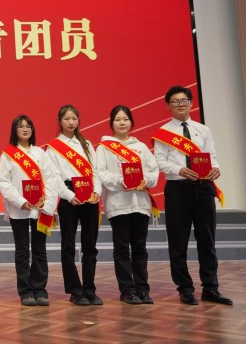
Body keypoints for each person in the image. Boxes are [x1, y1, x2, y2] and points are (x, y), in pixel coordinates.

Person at [152, 85, 232, 305]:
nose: (180, 105)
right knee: (178, 241)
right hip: (178, 189)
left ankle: (211, 288)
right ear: (168, 105)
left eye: (184, 101)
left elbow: (212, 156)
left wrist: (216, 168)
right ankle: (185, 288)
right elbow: (159, 161)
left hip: (204, 187)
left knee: (207, 240)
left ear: (191, 103)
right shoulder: (163, 133)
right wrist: (179, 169)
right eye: (175, 101)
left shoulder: (202, 130)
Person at [95, 105, 159, 305]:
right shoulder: (104, 147)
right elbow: (101, 173)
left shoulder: (140, 147)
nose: (122, 123)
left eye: (125, 119)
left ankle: (142, 288)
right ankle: (127, 290)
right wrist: (121, 181)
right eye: (117, 119)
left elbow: (153, 171)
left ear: (131, 122)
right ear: (111, 123)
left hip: (140, 203)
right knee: (122, 248)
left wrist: (144, 180)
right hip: (118, 204)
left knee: (140, 247)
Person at [45, 104, 102, 306]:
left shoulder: (86, 144)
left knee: (90, 244)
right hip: (68, 195)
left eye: (74, 119)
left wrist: (97, 191)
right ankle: (75, 290)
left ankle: (90, 289)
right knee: (68, 245)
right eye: (67, 119)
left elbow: (95, 171)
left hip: (89, 195)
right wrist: (69, 196)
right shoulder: (53, 147)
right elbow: (53, 176)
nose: (71, 122)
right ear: (59, 121)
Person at [0, 115, 58, 307]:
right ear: (14, 130)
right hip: (19, 209)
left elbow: (50, 179)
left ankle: (39, 289)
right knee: (23, 250)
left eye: (28, 126)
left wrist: (46, 203)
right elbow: (4, 182)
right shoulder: (8, 154)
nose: (25, 129)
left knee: (40, 250)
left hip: (40, 209)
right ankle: (25, 291)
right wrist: (21, 201)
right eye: (21, 126)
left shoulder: (41, 153)